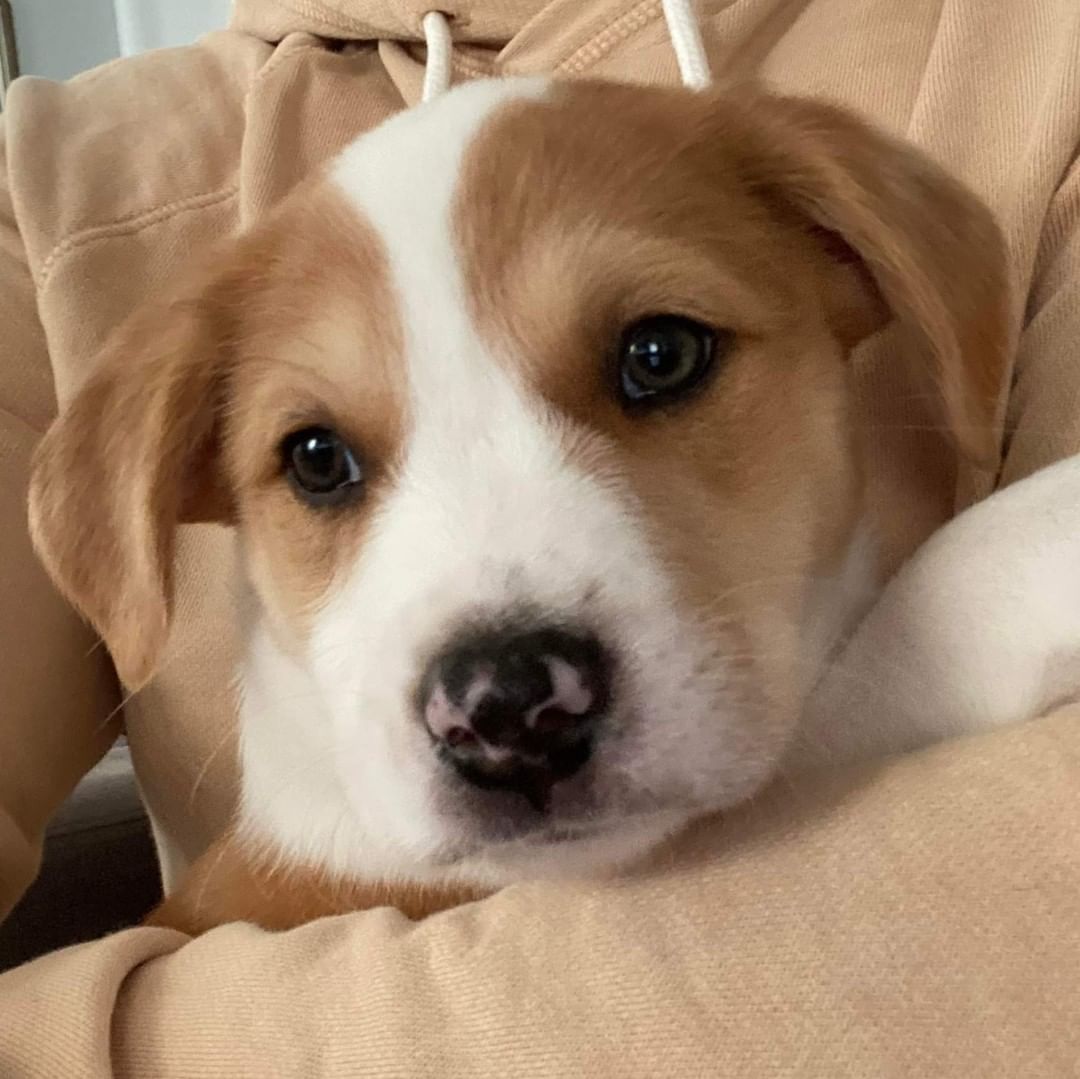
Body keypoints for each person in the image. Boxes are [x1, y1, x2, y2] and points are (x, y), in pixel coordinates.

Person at [1, 2, 1078, 1074]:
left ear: (859, 263)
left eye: (658, 358)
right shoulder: (49, 184)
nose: (507, 707)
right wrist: (949, 646)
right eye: (322, 461)